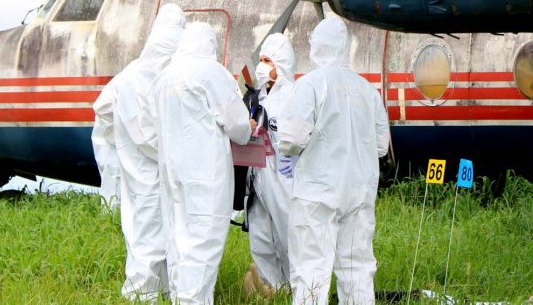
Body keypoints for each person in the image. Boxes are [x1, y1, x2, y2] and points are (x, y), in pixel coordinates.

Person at [279, 17, 390, 305]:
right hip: (359, 191)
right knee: (357, 266)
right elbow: (381, 146)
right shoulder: (368, 90)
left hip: (318, 191)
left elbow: (290, 138)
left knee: (312, 266)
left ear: (319, 46)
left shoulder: (311, 84)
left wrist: (293, 153)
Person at [153, 22, 257, 305]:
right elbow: (236, 125)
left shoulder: (165, 76)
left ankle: (180, 297)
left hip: (172, 171)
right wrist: (248, 125)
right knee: (203, 240)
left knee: (178, 238)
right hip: (204, 172)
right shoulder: (210, 72)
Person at [91, 3, 186, 302]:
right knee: (175, 231)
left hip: (136, 169)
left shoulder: (128, 74)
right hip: (172, 167)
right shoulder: (179, 72)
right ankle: (162, 293)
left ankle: (143, 294)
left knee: (141, 232)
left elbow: (103, 109)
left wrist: (120, 138)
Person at [244, 33, 297, 296]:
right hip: (259, 177)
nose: (262, 66)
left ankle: (299, 288)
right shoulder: (257, 98)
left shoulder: (294, 96)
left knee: (289, 234)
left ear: (282, 64)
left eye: (268, 60)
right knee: (261, 236)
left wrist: (296, 159)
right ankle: (273, 289)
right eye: (261, 59)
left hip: (284, 178)